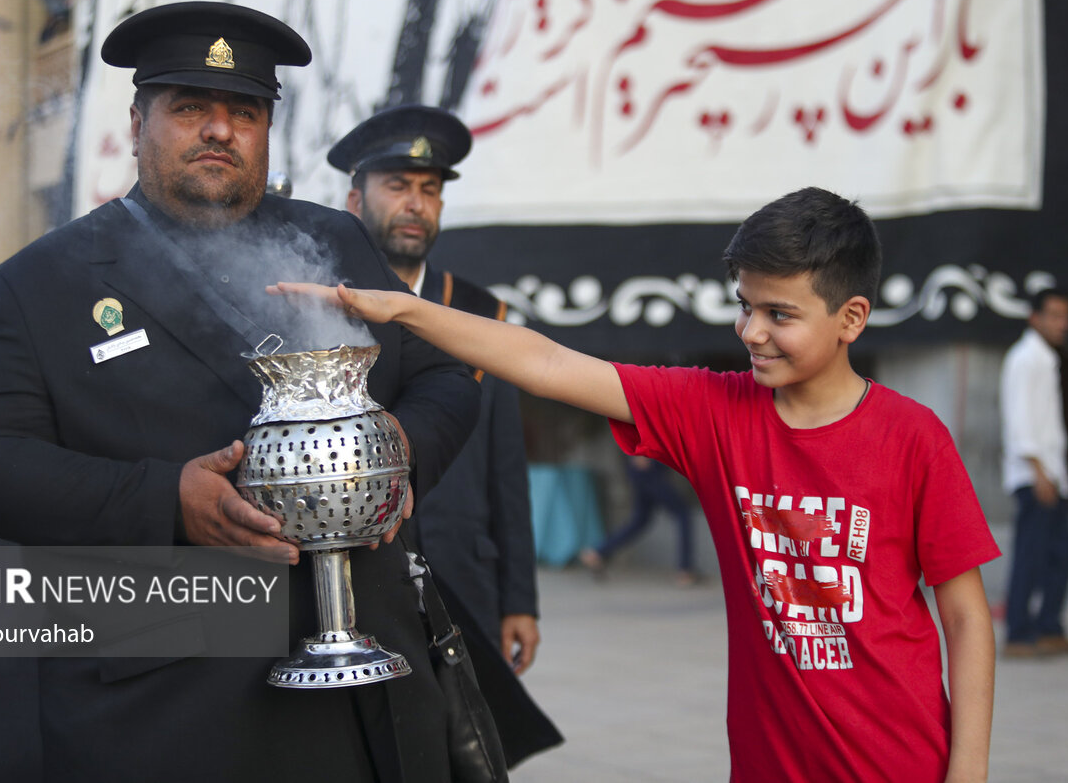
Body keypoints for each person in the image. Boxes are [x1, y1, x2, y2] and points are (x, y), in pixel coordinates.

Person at [273, 187, 1000, 783]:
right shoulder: (718, 412)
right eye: (745, 306)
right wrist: (402, 308)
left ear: (851, 319)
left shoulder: (914, 438)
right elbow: (550, 364)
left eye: (780, 314)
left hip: (904, 763)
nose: (751, 331)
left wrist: (967, 773)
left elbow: (966, 617)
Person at [0, 2, 480, 783]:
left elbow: (441, 378)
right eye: (190, 107)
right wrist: (168, 500)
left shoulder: (334, 240)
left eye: (245, 112)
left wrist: (400, 452)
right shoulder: (38, 284)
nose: (220, 131)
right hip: (172, 706)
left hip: (369, 672)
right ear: (137, 122)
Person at [327, 104, 541, 672]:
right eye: (397, 186)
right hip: (354, 575)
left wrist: (519, 597)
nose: (416, 204)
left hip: (464, 574)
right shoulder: (326, 306)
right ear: (355, 200)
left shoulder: (480, 312)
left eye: (429, 189)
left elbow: (505, 464)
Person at [999, 287, 1068, 658]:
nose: (1062, 324)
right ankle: (1019, 633)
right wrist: (1038, 471)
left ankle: (1049, 626)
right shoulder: (1026, 359)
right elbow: (1019, 420)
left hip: (1051, 474)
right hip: (1035, 475)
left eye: (1065, 316)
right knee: (1031, 555)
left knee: (1060, 555)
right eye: (1054, 315)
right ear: (1035, 318)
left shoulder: (1045, 358)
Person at [579, 454, 699, 586]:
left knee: (640, 520)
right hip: (649, 466)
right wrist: (641, 455)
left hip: (643, 467)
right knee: (682, 514)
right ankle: (685, 570)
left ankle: (597, 552)